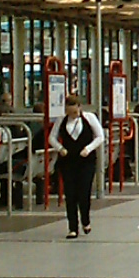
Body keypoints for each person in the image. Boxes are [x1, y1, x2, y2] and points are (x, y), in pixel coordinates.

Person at [50, 92, 104, 238]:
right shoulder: (61, 121)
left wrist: (89, 149)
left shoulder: (89, 118)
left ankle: (85, 220)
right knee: (70, 194)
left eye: (75, 111)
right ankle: (72, 227)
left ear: (80, 107)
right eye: (69, 112)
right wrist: (60, 149)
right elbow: (52, 138)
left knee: (84, 192)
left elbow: (100, 136)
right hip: (68, 161)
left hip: (86, 161)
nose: (73, 115)